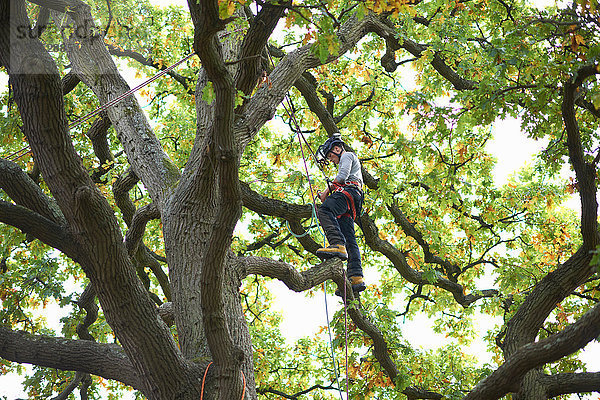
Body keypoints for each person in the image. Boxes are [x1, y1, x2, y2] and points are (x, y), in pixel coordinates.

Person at [315, 133, 366, 295]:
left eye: (330, 155)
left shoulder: (347, 156)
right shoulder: (349, 161)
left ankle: (336, 243)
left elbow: (342, 176)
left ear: (337, 148)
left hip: (349, 192)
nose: (331, 160)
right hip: (353, 201)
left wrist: (324, 194)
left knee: (325, 210)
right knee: (350, 238)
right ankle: (356, 276)